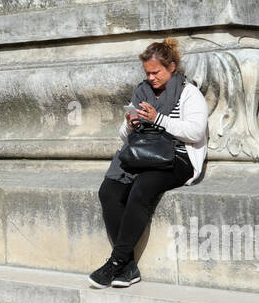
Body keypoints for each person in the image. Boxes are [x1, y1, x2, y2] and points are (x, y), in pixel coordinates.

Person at [89, 38, 208, 288]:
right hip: (143, 153)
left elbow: (196, 133)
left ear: (172, 67)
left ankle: (115, 262)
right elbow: (124, 136)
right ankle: (129, 267)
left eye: (156, 72)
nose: (151, 77)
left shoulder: (189, 93)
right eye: (148, 73)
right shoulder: (141, 91)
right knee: (109, 191)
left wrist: (158, 119)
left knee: (141, 188)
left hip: (177, 156)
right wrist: (130, 124)